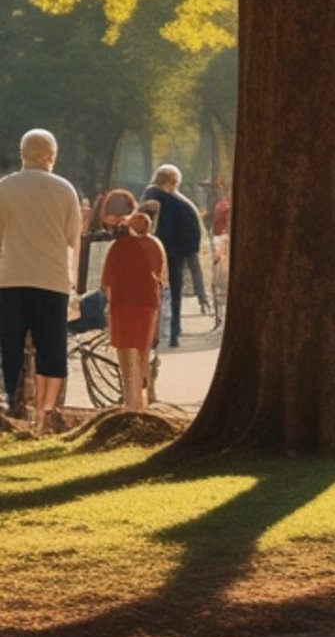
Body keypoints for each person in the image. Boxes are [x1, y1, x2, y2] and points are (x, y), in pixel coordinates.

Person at [0, 129, 85, 428]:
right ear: (52, 155)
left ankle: (13, 398)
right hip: (51, 278)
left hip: (12, 277)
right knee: (52, 345)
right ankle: (46, 410)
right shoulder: (64, 190)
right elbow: (73, 239)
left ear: (22, 153)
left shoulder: (6, 187)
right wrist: (73, 281)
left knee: (10, 342)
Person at [98, 207, 165, 411]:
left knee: (126, 355)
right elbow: (162, 277)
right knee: (143, 351)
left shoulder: (117, 247)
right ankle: (143, 399)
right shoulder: (155, 245)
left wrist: (109, 308)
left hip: (122, 304)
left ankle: (130, 401)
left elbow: (105, 284)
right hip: (148, 303)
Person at [142, 164, 205, 347]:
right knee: (175, 292)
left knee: (153, 292)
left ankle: (153, 332)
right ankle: (174, 332)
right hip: (176, 253)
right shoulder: (182, 203)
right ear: (172, 182)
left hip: (153, 251)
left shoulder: (150, 197)